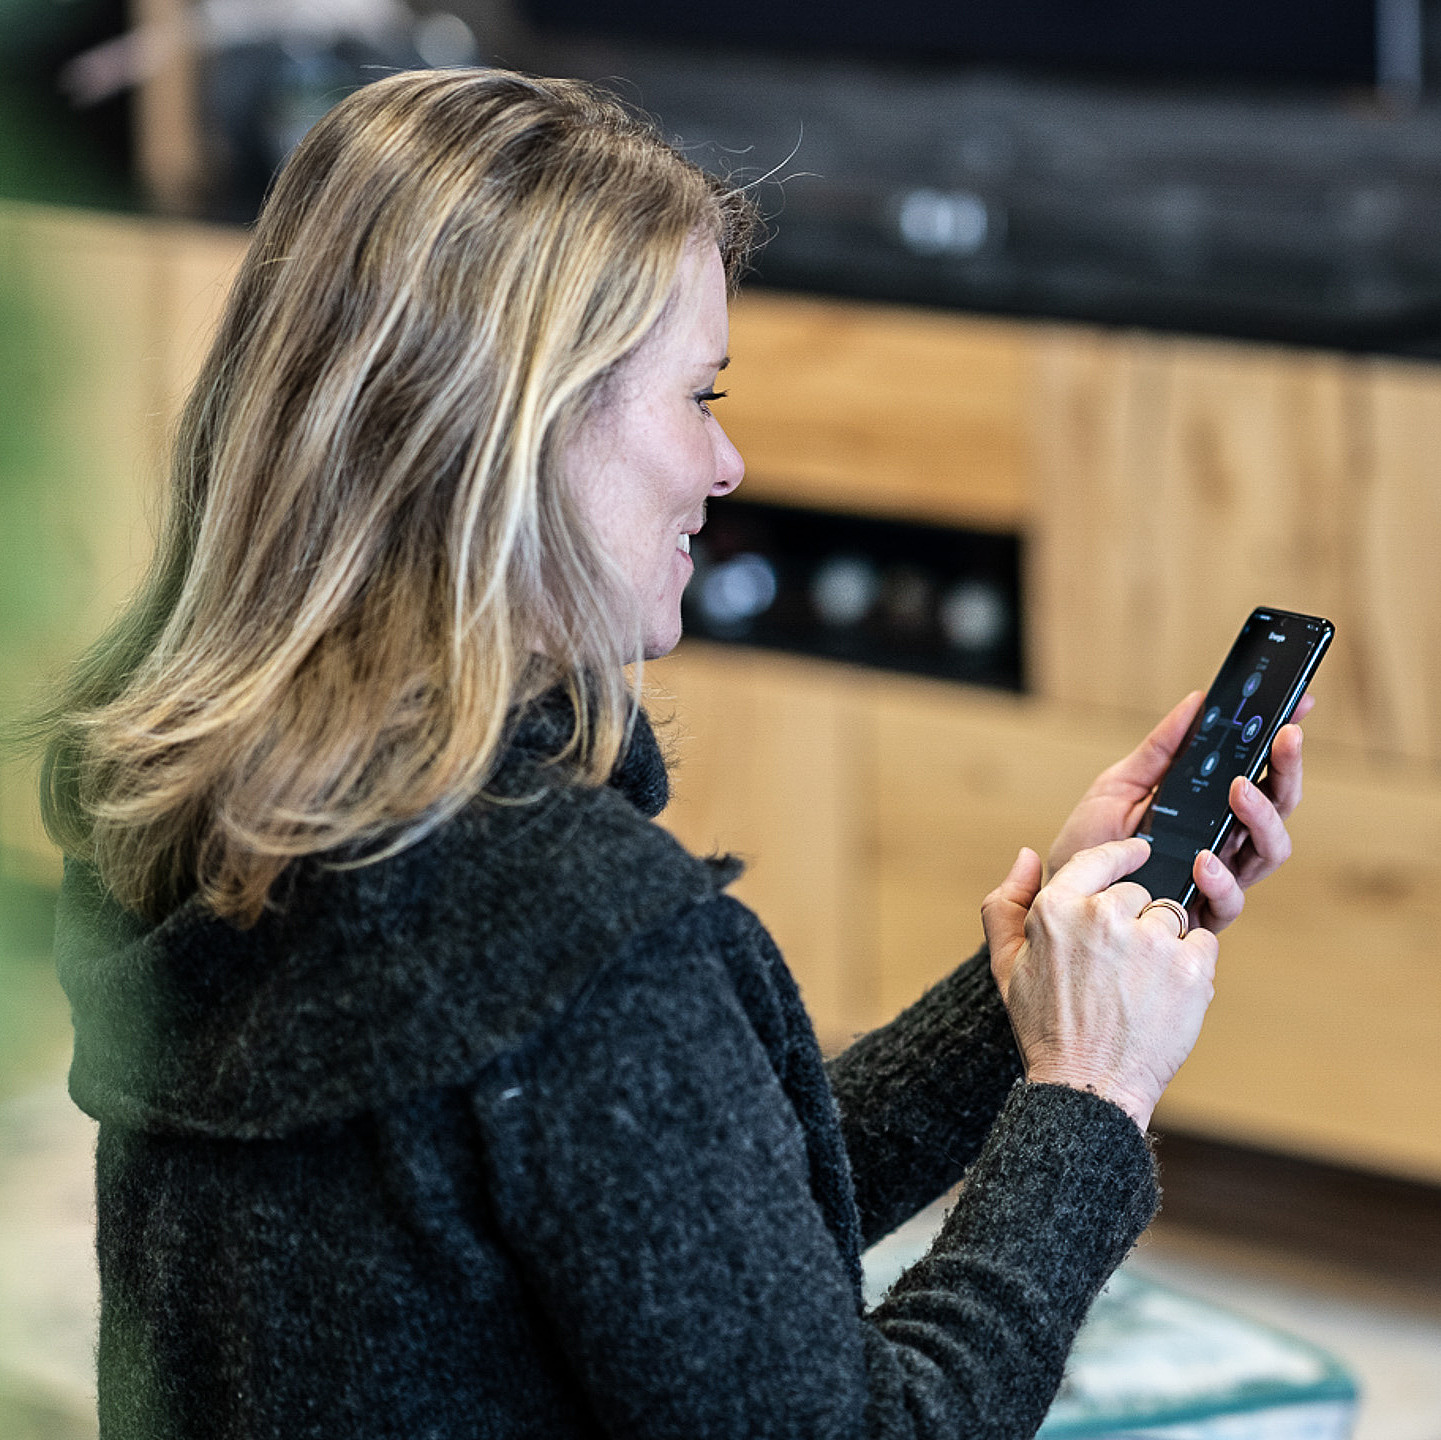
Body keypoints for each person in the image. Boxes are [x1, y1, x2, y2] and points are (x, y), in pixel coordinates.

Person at [41, 69, 1309, 1439]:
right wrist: (1087, 1096)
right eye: (696, 395)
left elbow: (673, 1221)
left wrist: (1020, 1013)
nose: (727, 464)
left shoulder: (222, 807)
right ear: (521, 423)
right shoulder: (570, 934)